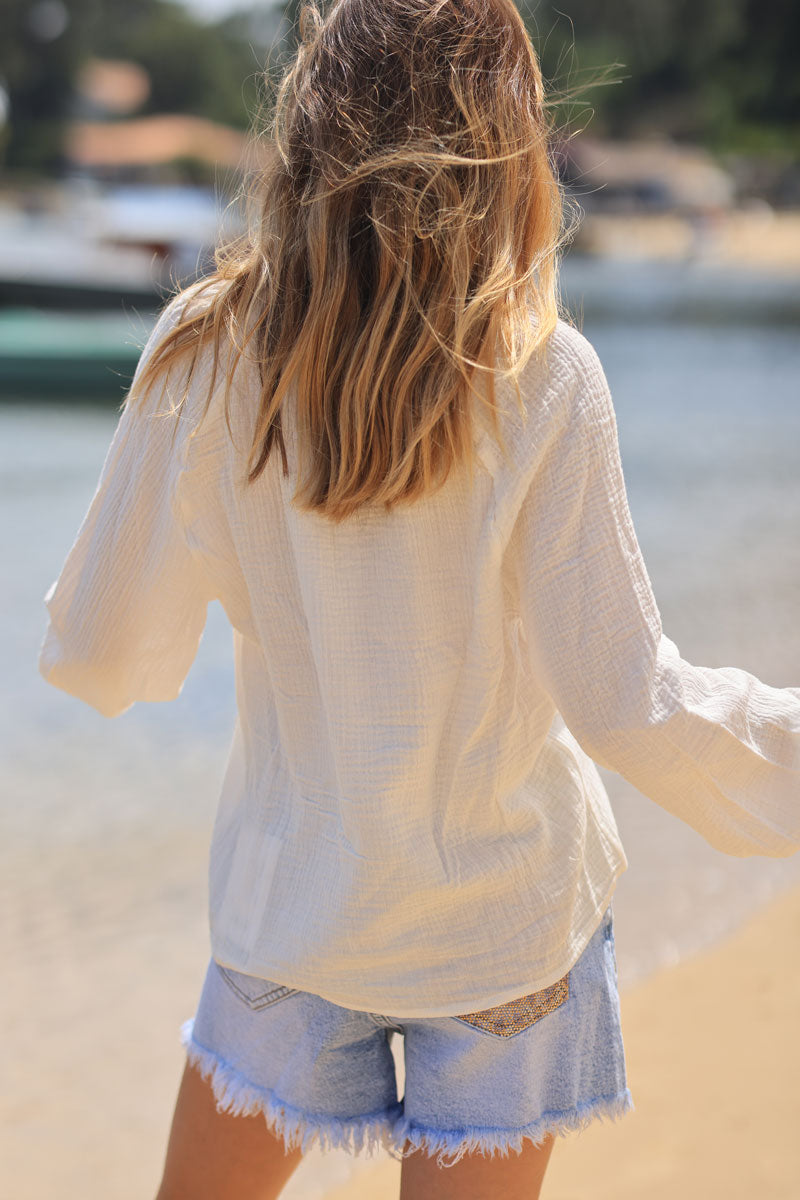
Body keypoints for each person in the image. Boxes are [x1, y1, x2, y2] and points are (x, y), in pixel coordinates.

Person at [37, 2, 800, 1198]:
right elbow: (625, 705)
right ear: (502, 145)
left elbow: (100, 649)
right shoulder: (543, 376)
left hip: (294, 913)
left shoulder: (202, 350)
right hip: (501, 930)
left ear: (306, 129)